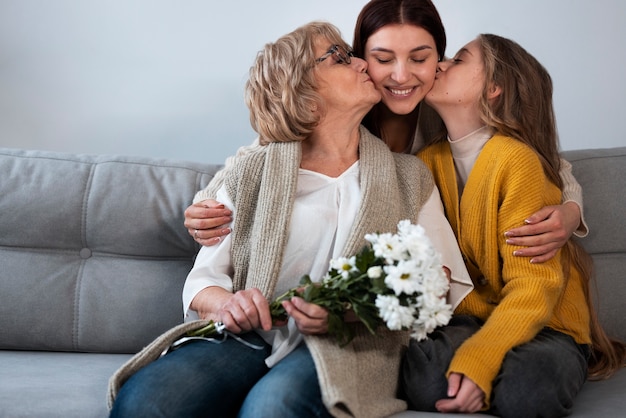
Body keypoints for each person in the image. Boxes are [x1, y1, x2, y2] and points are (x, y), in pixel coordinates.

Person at [108, 21, 472, 418]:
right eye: (338, 57)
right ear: (303, 92)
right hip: (247, 338)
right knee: (147, 402)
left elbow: (439, 283)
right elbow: (203, 282)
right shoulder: (254, 172)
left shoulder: (409, 177)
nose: (361, 63)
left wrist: (346, 312)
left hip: (344, 347)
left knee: (273, 408)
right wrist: (229, 305)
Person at [185, 0, 587, 265]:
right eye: (382, 58)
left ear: (439, 60)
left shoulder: (446, 113)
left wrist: (570, 211)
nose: (401, 76)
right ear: (360, 59)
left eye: (420, 57)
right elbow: (263, 152)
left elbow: (536, 151)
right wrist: (206, 203)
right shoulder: (340, 112)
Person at [401, 33, 626, 417]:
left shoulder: (515, 161)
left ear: (493, 89)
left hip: (547, 321)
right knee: (418, 375)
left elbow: (534, 286)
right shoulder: (425, 163)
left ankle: (500, 378)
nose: (439, 64)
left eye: (457, 60)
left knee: (527, 389)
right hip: (472, 318)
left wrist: (480, 358)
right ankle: (489, 382)